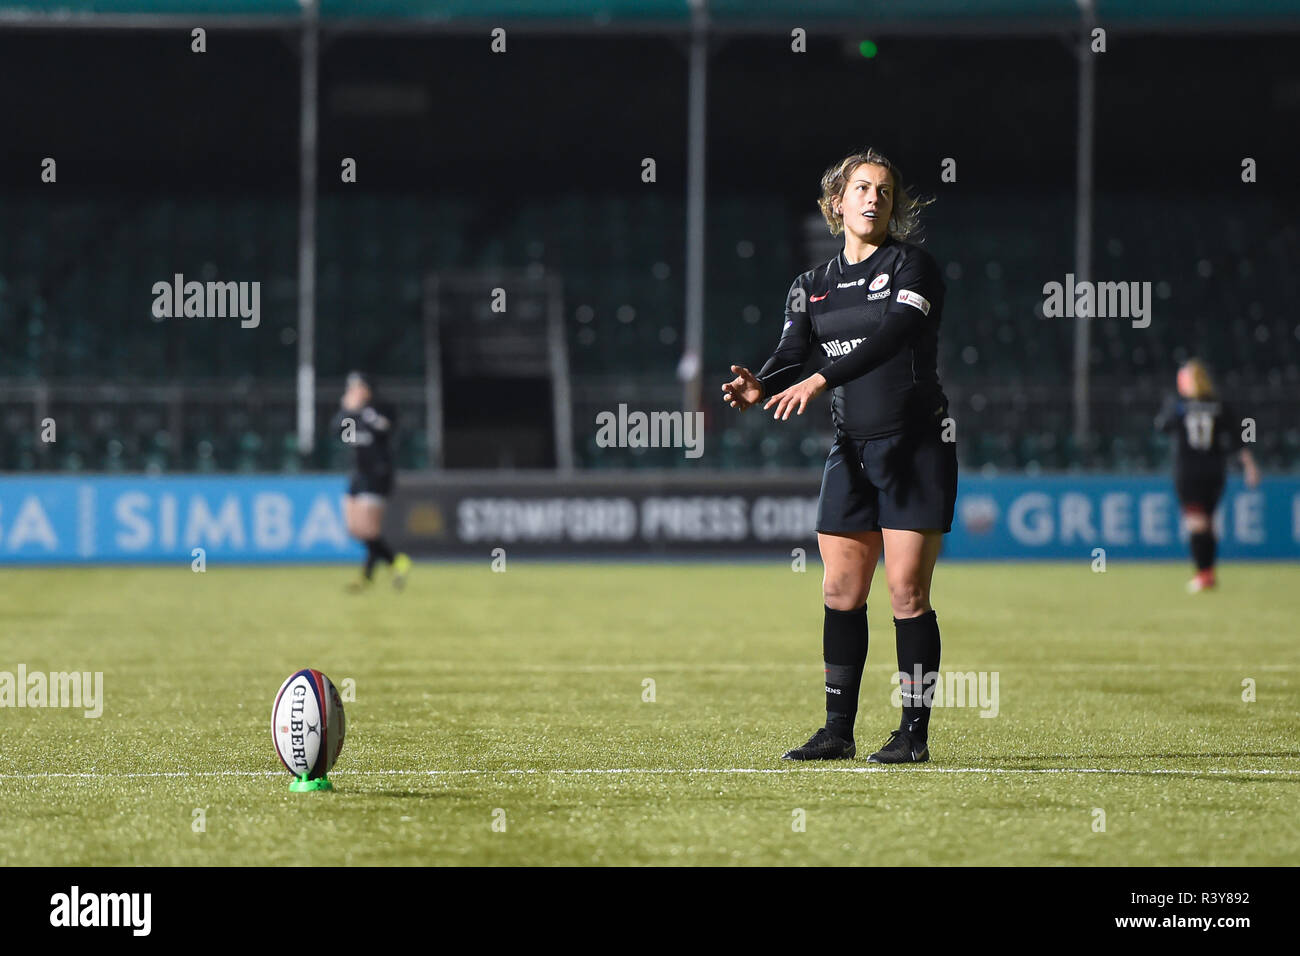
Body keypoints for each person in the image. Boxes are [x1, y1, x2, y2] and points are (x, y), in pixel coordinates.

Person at [722, 148, 955, 764]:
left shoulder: (913, 266)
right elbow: (791, 351)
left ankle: (913, 734)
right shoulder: (812, 285)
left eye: (883, 190)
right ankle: (837, 731)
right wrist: (762, 385)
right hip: (850, 449)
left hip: (914, 445)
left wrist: (821, 381)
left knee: (906, 591)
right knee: (840, 590)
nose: (873, 197)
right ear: (837, 204)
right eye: (861, 188)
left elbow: (890, 338)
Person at [1155, 359, 1260, 592]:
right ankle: (1208, 573)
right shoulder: (1220, 404)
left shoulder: (1178, 404)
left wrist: (1175, 411)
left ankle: (1203, 575)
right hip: (1214, 470)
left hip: (1188, 471)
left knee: (1196, 524)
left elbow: (1161, 426)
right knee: (1209, 524)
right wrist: (1250, 466)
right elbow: (1239, 437)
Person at [333, 371, 411, 591]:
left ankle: (368, 577)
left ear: (366, 388)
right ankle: (394, 562)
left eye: (357, 386)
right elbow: (337, 431)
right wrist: (347, 410)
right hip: (358, 474)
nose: (353, 391)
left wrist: (363, 412)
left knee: (369, 528)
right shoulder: (351, 414)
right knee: (354, 529)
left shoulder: (380, 408)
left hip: (378, 473)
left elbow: (386, 428)